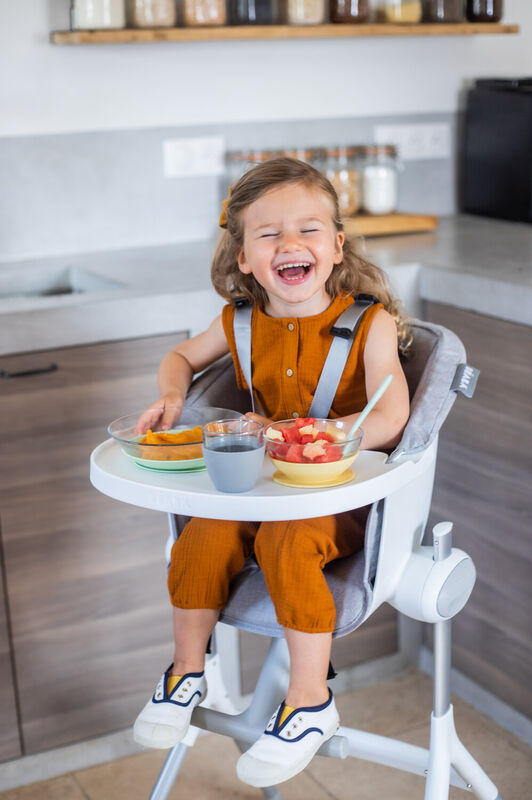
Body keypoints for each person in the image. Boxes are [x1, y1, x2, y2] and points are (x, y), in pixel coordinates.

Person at [133, 157, 411, 787]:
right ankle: (184, 674)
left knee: (287, 541)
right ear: (243, 258)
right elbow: (180, 355)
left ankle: (311, 702)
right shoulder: (237, 323)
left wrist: (318, 437)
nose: (290, 244)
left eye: (308, 229)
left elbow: (392, 413)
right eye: (268, 234)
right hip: (259, 489)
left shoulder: (368, 323)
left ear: (336, 247)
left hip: (337, 494)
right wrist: (174, 398)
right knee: (199, 536)